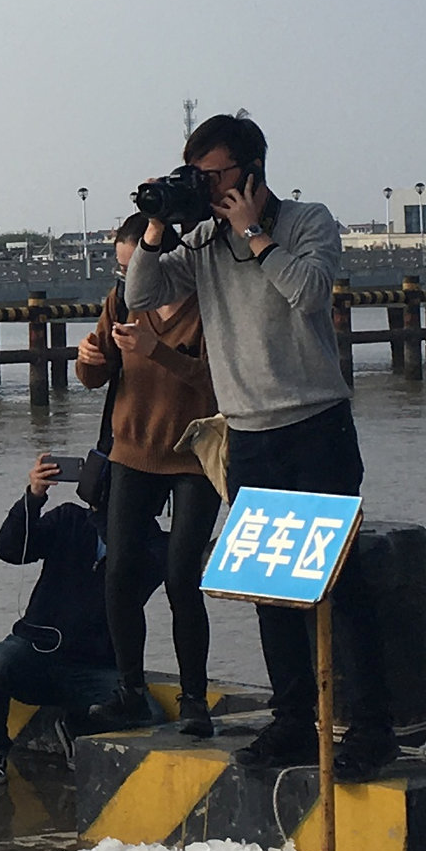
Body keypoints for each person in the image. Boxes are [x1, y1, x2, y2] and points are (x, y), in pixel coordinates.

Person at [123, 115, 385, 778]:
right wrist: (157, 226)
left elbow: (309, 293)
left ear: (253, 170)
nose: (207, 188)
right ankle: (294, 722)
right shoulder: (204, 240)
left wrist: (254, 234)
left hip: (314, 426)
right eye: (197, 176)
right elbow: (142, 294)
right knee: (270, 592)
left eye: (216, 174)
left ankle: (372, 730)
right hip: (247, 436)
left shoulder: (308, 222)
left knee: (339, 586)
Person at [73, 212, 220, 742]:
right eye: (120, 269)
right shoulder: (123, 300)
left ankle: (194, 699)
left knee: (183, 578)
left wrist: (154, 350)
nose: (126, 279)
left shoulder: (209, 305)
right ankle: (129, 690)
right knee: (119, 573)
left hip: (192, 456)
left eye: (133, 266)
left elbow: (218, 383)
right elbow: (95, 374)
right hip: (131, 452)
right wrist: (88, 358)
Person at [0, 456, 119, 784]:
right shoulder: (69, 520)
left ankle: (77, 726)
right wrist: (33, 496)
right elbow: (10, 549)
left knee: (147, 713)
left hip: (96, 668)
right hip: (38, 652)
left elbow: (192, 571)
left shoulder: (144, 542)